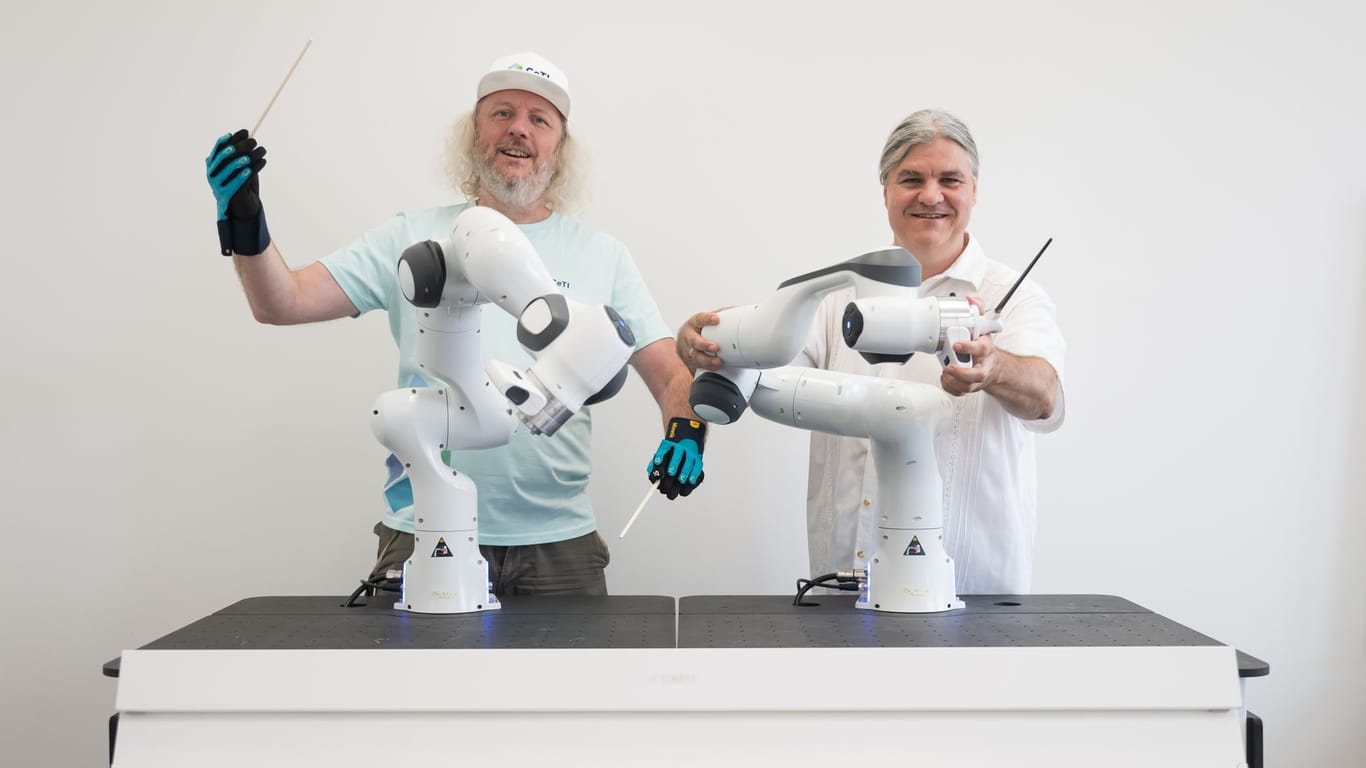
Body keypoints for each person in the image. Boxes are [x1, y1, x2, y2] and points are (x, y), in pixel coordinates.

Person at [204, 51, 705, 596]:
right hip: (424, 530)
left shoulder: (603, 256)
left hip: (559, 543)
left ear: (559, 148)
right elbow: (284, 301)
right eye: (502, 113)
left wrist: (688, 429)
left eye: (540, 120)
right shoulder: (410, 237)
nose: (519, 128)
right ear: (474, 133)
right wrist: (245, 221)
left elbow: (668, 372)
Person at [677, 109, 1065, 594]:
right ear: (885, 190)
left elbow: (1046, 397)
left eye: (950, 179)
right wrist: (703, 341)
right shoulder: (834, 298)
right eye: (911, 179)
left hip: (976, 592)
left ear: (974, 190)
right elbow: (757, 366)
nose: (931, 195)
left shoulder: (1015, 295)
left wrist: (994, 367)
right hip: (847, 592)